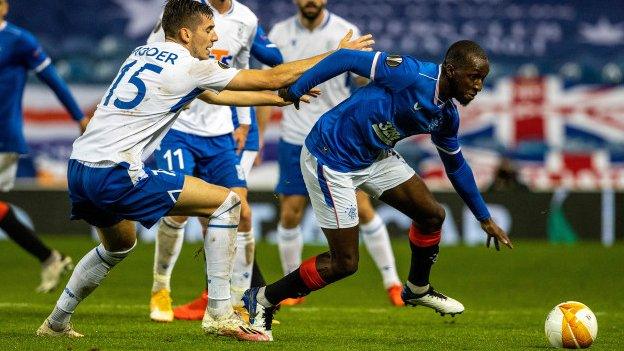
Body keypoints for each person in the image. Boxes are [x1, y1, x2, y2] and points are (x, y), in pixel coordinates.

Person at [35, 0, 373, 341]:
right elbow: (274, 74)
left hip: (80, 167)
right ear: (186, 33)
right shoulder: (191, 65)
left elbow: (211, 95)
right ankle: (220, 313)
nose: (214, 38)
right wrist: (337, 55)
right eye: (208, 30)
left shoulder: (143, 53)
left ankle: (56, 323)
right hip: (115, 172)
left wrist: (275, 99)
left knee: (118, 247)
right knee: (226, 203)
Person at [243, 40, 513, 337]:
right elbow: (345, 57)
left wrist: (483, 217)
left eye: (483, 79)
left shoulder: (446, 116)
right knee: (344, 263)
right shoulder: (410, 73)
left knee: (432, 215)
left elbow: (456, 166)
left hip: (374, 156)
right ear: (450, 70)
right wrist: (296, 89)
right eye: (473, 77)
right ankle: (262, 299)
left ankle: (417, 288)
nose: (478, 86)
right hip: (330, 157)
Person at [146, 0, 285, 323]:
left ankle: (241, 299)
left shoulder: (246, 19)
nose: (213, 37)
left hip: (221, 131)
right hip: (180, 128)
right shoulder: (182, 11)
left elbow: (241, 69)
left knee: (243, 213)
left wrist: (244, 119)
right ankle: (160, 287)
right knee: (179, 211)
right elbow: (154, 59)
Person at [268, 0, 404, 307]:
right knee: (290, 212)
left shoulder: (346, 31)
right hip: (294, 136)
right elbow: (272, 81)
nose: (311, 1)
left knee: (363, 208)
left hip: (335, 138)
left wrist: (358, 68)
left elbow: (362, 79)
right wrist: (258, 134)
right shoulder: (278, 32)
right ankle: (293, 286)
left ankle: (392, 282)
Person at [0, 0, 88, 293]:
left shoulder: (19, 41)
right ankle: (50, 257)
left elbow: (53, 80)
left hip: (3, 137)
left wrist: (78, 116)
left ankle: (49, 257)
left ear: (5, 7)